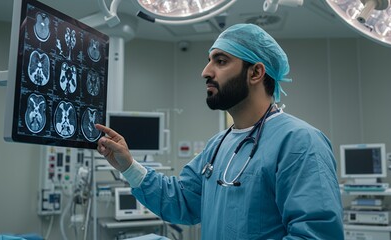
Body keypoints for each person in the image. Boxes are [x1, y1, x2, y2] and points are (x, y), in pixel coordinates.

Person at [96, 23, 344, 239]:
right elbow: (182, 201)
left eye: (221, 61)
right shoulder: (218, 145)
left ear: (256, 72)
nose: (206, 72)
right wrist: (128, 166)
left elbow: (316, 235)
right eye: (209, 61)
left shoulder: (300, 142)